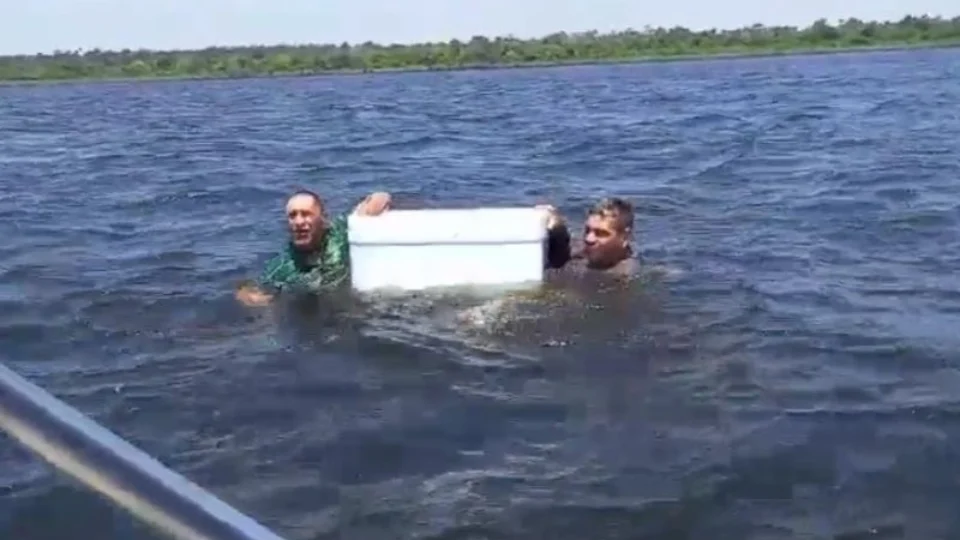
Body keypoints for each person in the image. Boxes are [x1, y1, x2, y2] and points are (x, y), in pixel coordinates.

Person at [235, 190, 391, 307]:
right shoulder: (282, 266)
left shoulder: (340, 231)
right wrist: (246, 295)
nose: (299, 221)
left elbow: (381, 197)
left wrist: (366, 213)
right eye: (292, 216)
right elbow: (252, 290)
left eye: (306, 214)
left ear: (322, 219)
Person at [539, 197, 639, 277]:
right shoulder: (581, 250)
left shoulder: (623, 277)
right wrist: (557, 227)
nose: (588, 239)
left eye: (600, 233)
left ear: (625, 237)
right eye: (587, 230)